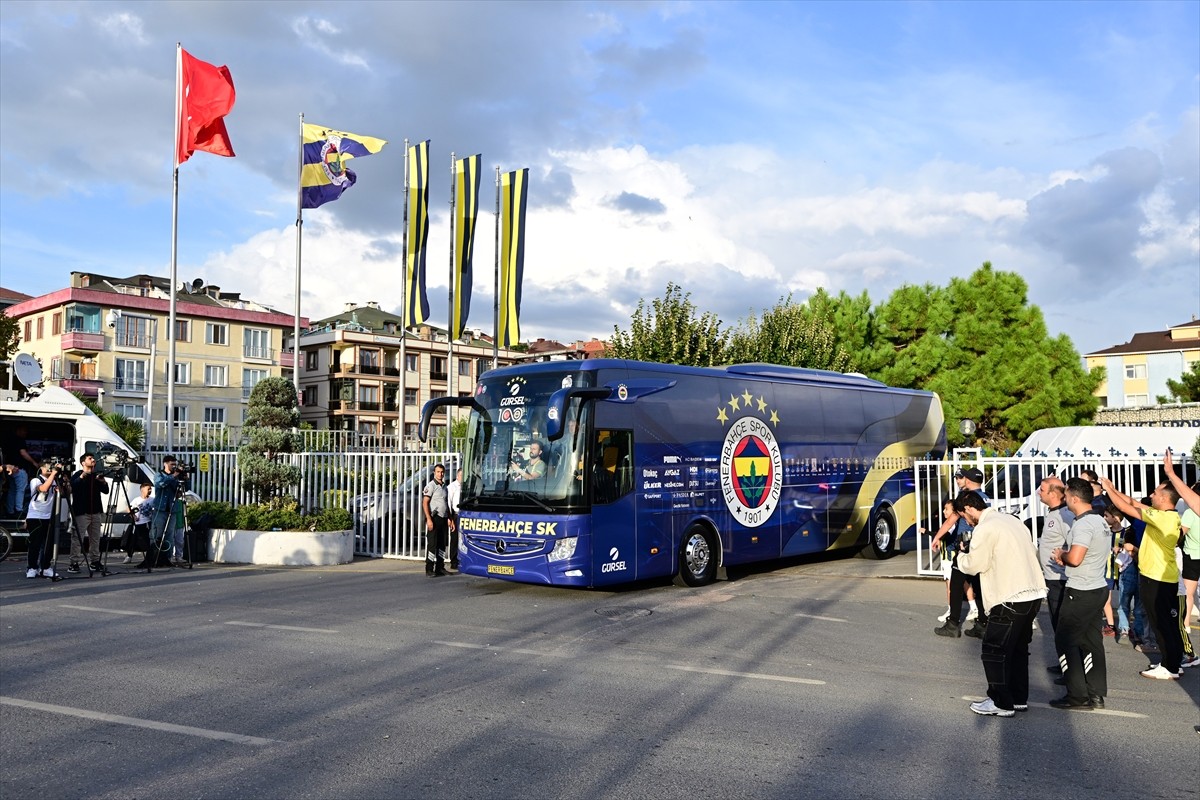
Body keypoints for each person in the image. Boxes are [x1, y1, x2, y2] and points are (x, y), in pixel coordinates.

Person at [954, 491, 1047, 717]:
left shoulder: (985, 528)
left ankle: (1000, 702)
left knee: (994, 649)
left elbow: (975, 564)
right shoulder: (1011, 521)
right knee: (1017, 649)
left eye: (963, 516)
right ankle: (1017, 698)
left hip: (1009, 596)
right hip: (1033, 593)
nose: (966, 521)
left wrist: (960, 557)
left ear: (968, 507)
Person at [1101, 475, 1185, 679]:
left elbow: (1127, 508)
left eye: (1155, 493)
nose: (1151, 495)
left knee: (1161, 623)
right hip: (1162, 578)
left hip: (1156, 578)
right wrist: (1113, 488)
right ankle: (1174, 662)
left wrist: (1108, 491)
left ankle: (1169, 666)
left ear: (1165, 499)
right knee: (1167, 623)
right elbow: (1133, 502)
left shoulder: (1162, 518)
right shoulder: (1166, 515)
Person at [1049, 477, 1109, 710]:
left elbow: (1075, 558)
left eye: (1065, 496)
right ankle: (1096, 695)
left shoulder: (1083, 524)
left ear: (1074, 498)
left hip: (1081, 590)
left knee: (1065, 640)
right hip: (1096, 588)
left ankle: (1077, 696)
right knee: (1092, 642)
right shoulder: (1099, 520)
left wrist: (1061, 555)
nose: (1064, 500)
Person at [931, 467, 989, 638]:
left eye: (961, 478)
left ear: (968, 480)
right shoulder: (986, 497)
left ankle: (953, 624)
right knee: (979, 584)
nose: (958, 481)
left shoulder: (965, 497)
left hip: (965, 546)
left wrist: (937, 537)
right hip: (981, 545)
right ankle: (982, 623)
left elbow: (951, 520)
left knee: (956, 584)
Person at [1036, 476, 1075, 634]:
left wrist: (1065, 558)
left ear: (1053, 494)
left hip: (1061, 580)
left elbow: (1075, 543)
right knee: (1057, 626)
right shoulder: (1053, 513)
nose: (1039, 492)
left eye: (1042, 489)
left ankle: (1069, 657)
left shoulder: (1064, 515)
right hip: (1052, 578)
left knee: (1062, 628)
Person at [69, 453, 109, 573]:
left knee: (95, 538)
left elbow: (106, 491)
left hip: (95, 512)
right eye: (90, 458)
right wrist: (82, 476)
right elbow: (73, 487)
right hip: (82, 512)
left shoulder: (96, 476)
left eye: (93, 459)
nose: (93, 460)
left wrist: (103, 482)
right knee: (77, 538)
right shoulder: (77, 475)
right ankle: (73, 563)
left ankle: (95, 561)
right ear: (83, 463)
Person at [24, 461, 61, 579]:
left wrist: (63, 483)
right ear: (41, 468)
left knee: (48, 544)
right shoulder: (35, 480)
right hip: (35, 516)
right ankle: (32, 567)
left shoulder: (54, 480)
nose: (50, 469)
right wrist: (53, 474)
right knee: (35, 543)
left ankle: (45, 567)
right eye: (48, 467)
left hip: (49, 516)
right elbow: (44, 489)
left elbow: (64, 494)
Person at [147, 455, 182, 568]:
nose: (173, 466)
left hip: (172, 509)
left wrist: (185, 478)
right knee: (157, 533)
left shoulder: (176, 476)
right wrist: (173, 476)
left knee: (170, 535)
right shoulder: (159, 475)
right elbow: (160, 484)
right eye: (172, 464)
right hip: (160, 509)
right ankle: (154, 557)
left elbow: (185, 489)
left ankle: (167, 558)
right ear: (165, 464)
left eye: (175, 464)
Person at [422, 463, 451, 577]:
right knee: (432, 545)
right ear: (434, 473)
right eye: (438, 472)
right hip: (435, 518)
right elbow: (425, 503)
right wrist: (429, 519)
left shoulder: (444, 486)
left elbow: (446, 503)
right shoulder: (431, 486)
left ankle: (440, 567)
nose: (440, 474)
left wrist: (449, 518)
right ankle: (429, 569)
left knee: (442, 544)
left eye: (442, 472)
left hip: (443, 518)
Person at [124, 482, 153, 564]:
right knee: (133, 540)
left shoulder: (152, 500)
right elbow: (128, 509)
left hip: (148, 522)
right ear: (142, 490)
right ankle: (129, 556)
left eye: (150, 489)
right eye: (148, 489)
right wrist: (133, 516)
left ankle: (148, 556)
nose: (150, 490)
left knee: (148, 540)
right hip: (138, 523)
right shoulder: (137, 500)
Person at [446, 469, 461, 572]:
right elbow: (448, 503)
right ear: (457, 476)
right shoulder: (452, 487)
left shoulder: (466, 486)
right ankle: (454, 561)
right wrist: (450, 518)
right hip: (455, 515)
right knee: (455, 538)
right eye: (461, 475)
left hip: (465, 514)